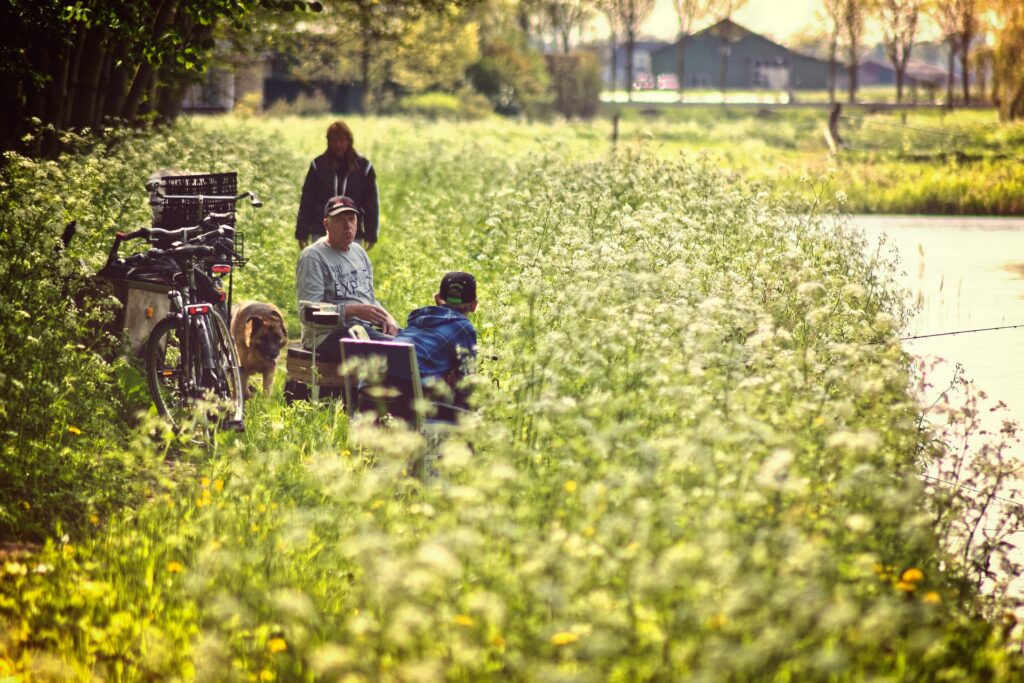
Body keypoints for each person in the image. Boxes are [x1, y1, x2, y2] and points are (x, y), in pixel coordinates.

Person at [296, 196, 398, 362]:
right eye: (339, 220)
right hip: (328, 335)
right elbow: (307, 313)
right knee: (397, 351)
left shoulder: (359, 252)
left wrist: (387, 317)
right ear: (326, 224)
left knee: (415, 341)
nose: (347, 226)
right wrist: (351, 311)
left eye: (351, 219)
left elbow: (369, 299)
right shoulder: (313, 256)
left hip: (363, 329)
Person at [395, 272, 478, 403]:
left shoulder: (418, 318)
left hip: (376, 387)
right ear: (474, 305)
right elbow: (466, 382)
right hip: (412, 396)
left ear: (437, 299)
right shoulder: (463, 327)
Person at [296, 121, 380, 250]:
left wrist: (371, 234)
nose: (338, 145)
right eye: (334, 140)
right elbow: (307, 201)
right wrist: (302, 232)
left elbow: (371, 204)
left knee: (349, 264)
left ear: (349, 141)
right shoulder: (318, 165)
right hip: (321, 231)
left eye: (342, 140)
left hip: (351, 232)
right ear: (329, 142)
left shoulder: (364, 167)